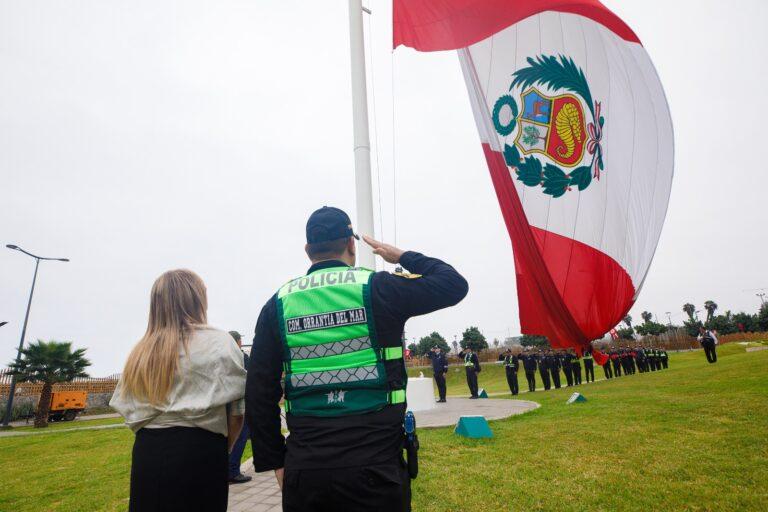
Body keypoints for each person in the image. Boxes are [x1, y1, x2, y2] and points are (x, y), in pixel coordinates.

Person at [245, 206, 468, 512]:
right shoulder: (377, 287)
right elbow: (453, 284)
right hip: (375, 467)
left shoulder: (278, 304)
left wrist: (276, 463)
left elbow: (258, 390)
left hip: (305, 469)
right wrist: (400, 255)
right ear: (351, 244)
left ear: (308, 250)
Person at [110, 269, 247, 512]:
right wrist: (223, 448)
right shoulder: (220, 342)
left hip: (148, 453)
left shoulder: (140, 351)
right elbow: (238, 412)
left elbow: (129, 409)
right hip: (202, 449)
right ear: (198, 299)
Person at [227, 331, 253, 485]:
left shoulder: (222, 356)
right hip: (241, 403)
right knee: (241, 434)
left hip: (225, 403)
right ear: (238, 342)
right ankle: (233, 471)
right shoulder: (242, 357)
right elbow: (252, 377)